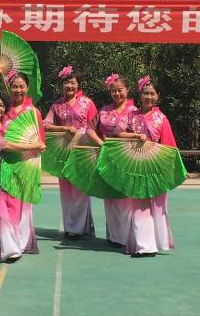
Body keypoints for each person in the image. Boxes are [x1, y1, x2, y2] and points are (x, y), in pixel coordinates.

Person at [0, 66, 45, 254]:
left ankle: (19, 243)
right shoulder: (4, 110)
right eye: (14, 86)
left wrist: (36, 150)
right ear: (9, 88)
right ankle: (2, 244)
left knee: (21, 207)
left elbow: (40, 141)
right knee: (3, 210)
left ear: (27, 87)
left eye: (22, 86)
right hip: (3, 165)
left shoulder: (33, 112)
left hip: (25, 164)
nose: (18, 90)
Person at [122, 75, 179, 257]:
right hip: (136, 165)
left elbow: (169, 147)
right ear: (140, 95)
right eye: (145, 93)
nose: (149, 97)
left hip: (156, 167)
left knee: (157, 206)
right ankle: (144, 245)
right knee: (139, 205)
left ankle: (153, 243)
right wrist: (135, 137)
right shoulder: (131, 116)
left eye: (152, 94)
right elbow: (119, 135)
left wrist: (170, 169)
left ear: (158, 96)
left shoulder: (162, 119)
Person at [43, 65, 103, 239]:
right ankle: (73, 226)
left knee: (80, 190)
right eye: (66, 83)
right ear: (62, 85)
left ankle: (76, 229)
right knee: (66, 191)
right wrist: (63, 129)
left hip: (83, 150)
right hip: (63, 152)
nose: (69, 86)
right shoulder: (57, 105)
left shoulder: (87, 103)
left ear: (78, 85)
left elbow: (95, 127)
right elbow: (45, 124)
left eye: (73, 82)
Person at [96, 73, 144, 251]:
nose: (117, 94)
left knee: (124, 198)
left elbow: (138, 134)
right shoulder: (104, 110)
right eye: (113, 91)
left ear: (127, 90)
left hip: (127, 158)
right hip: (107, 157)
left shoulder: (134, 111)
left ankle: (125, 237)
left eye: (120, 90)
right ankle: (113, 235)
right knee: (109, 198)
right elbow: (92, 129)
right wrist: (101, 142)